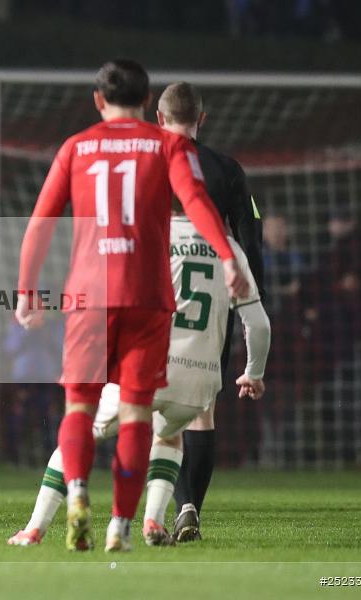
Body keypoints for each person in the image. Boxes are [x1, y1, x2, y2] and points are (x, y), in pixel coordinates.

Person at [15, 60, 248, 552]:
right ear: (148, 104)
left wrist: (26, 289)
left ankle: (77, 494)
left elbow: (39, 223)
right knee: (139, 414)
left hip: (88, 296)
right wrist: (227, 256)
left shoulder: (76, 147)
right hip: (146, 298)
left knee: (79, 406)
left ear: (99, 101)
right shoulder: (168, 145)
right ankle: (120, 527)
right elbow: (198, 203)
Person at [9, 210, 271, 548]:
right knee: (170, 435)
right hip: (200, 381)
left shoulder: (149, 236)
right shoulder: (230, 248)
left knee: (80, 432)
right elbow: (259, 325)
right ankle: (153, 521)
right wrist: (254, 374)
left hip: (149, 365)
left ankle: (35, 528)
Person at [154, 82, 266, 542]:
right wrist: (251, 295)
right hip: (213, 299)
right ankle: (188, 508)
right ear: (202, 119)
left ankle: (137, 513)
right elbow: (250, 233)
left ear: (159, 119)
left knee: (152, 415)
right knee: (200, 410)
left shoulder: (143, 162)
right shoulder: (227, 170)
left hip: (152, 301)